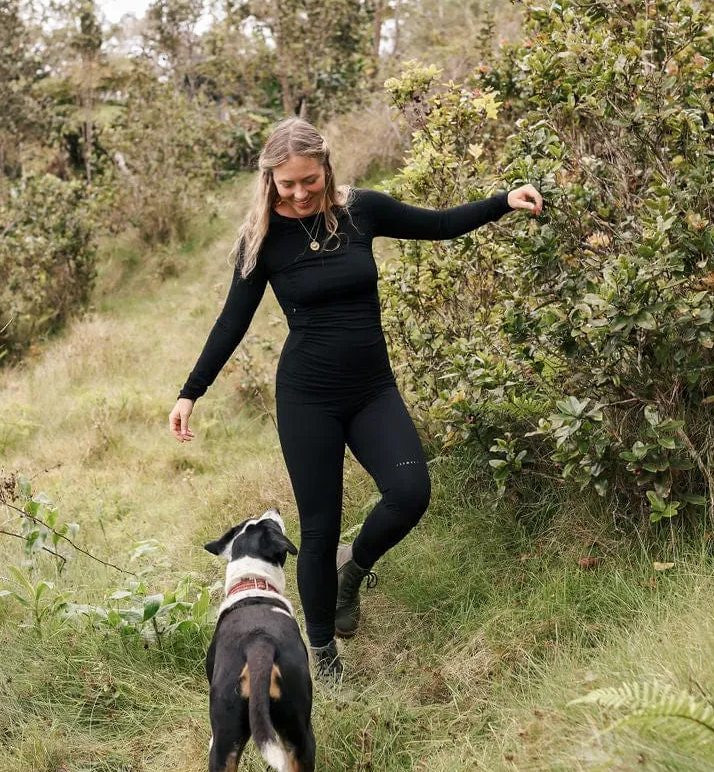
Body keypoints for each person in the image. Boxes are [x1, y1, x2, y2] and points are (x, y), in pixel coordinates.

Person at [169, 117, 543, 682]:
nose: (297, 194)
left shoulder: (361, 210)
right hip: (307, 398)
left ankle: (355, 567)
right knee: (319, 528)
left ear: (326, 169)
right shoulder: (261, 239)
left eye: (308, 181)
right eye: (285, 184)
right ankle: (322, 653)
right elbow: (231, 323)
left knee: (411, 491)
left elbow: (438, 226)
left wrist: (502, 201)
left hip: (372, 388)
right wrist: (190, 392)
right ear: (269, 179)